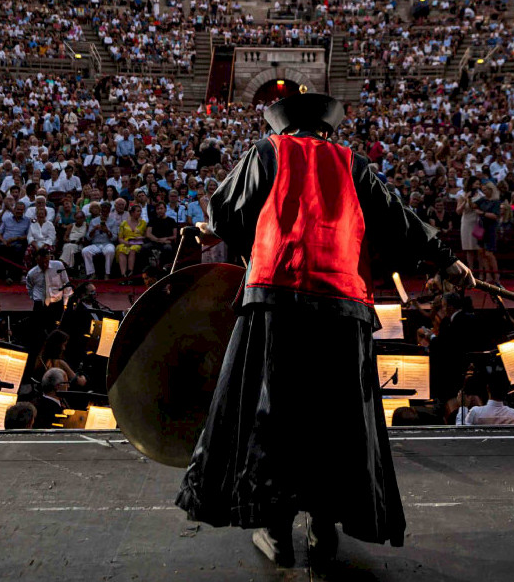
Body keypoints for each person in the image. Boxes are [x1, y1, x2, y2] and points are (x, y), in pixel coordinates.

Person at [175, 90, 475, 567]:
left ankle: (275, 531)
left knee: (271, 413)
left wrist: (258, 238)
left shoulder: (267, 152)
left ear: (285, 126)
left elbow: (222, 213)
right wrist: (448, 260)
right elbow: (400, 221)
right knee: (335, 418)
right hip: (343, 305)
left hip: (275, 297)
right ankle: (323, 529)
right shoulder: (352, 163)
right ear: (327, 129)